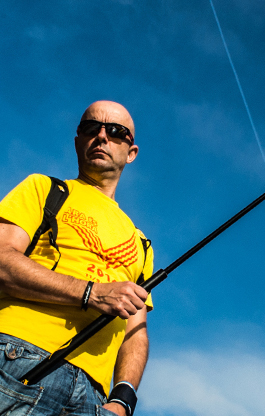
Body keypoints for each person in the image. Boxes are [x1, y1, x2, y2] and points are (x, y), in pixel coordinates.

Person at [0, 101, 154, 416]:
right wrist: (91, 292)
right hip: (20, 357)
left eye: (116, 131)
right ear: (77, 140)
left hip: (93, 399)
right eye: (91, 128)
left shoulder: (142, 244)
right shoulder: (44, 189)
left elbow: (135, 331)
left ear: (131, 152)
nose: (102, 136)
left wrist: (123, 399)